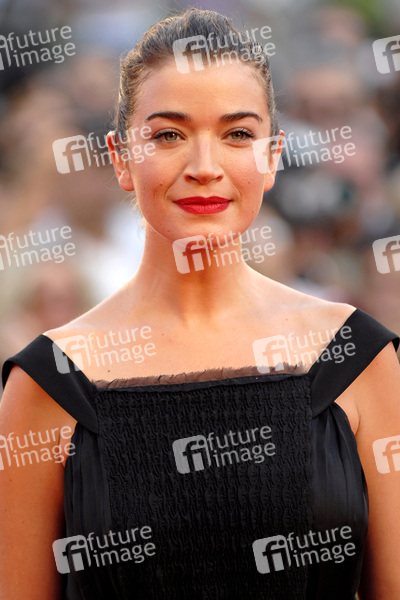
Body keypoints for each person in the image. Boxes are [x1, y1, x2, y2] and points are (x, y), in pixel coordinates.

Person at [1, 8, 400, 600]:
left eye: (237, 134)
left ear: (272, 156)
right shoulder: (49, 380)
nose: (205, 168)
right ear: (120, 158)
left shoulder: (356, 356)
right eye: (169, 135)